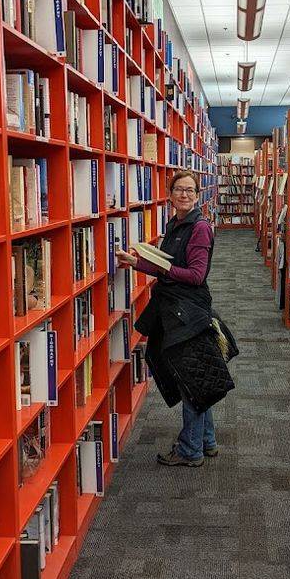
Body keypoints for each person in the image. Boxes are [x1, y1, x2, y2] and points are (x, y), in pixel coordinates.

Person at [117, 170, 237, 467]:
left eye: (190, 190)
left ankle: (189, 450)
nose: (184, 194)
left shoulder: (199, 228)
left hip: (189, 314)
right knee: (197, 378)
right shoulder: (175, 223)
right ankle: (206, 440)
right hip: (175, 309)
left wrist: (161, 268)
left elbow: (195, 275)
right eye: (179, 189)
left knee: (190, 381)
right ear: (170, 195)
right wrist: (137, 262)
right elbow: (166, 266)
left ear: (197, 195)